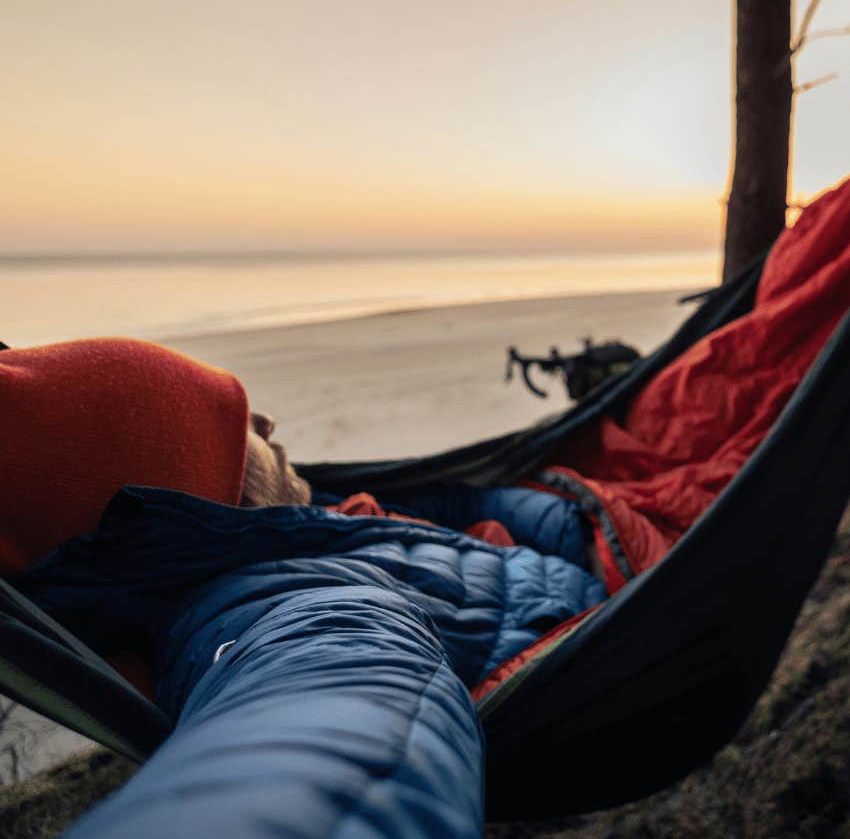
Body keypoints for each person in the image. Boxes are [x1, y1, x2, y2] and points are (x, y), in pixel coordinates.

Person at [2, 337, 603, 838]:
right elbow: (335, 729)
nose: (267, 421)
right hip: (619, 614)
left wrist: (573, 513)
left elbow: (457, 497)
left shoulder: (308, 526)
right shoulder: (285, 611)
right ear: (204, 498)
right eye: (236, 427)